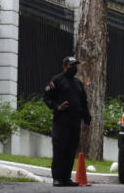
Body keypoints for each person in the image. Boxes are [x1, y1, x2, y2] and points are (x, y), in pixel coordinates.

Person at [44, 56, 92, 187]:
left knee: (71, 150)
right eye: (71, 66)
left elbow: (83, 103)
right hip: (61, 122)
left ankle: (66, 178)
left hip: (75, 122)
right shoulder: (57, 81)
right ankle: (57, 178)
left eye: (75, 66)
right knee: (60, 149)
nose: (74, 68)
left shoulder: (78, 83)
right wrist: (57, 107)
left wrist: (87, 120)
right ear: (64, 67)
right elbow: (47, 98)